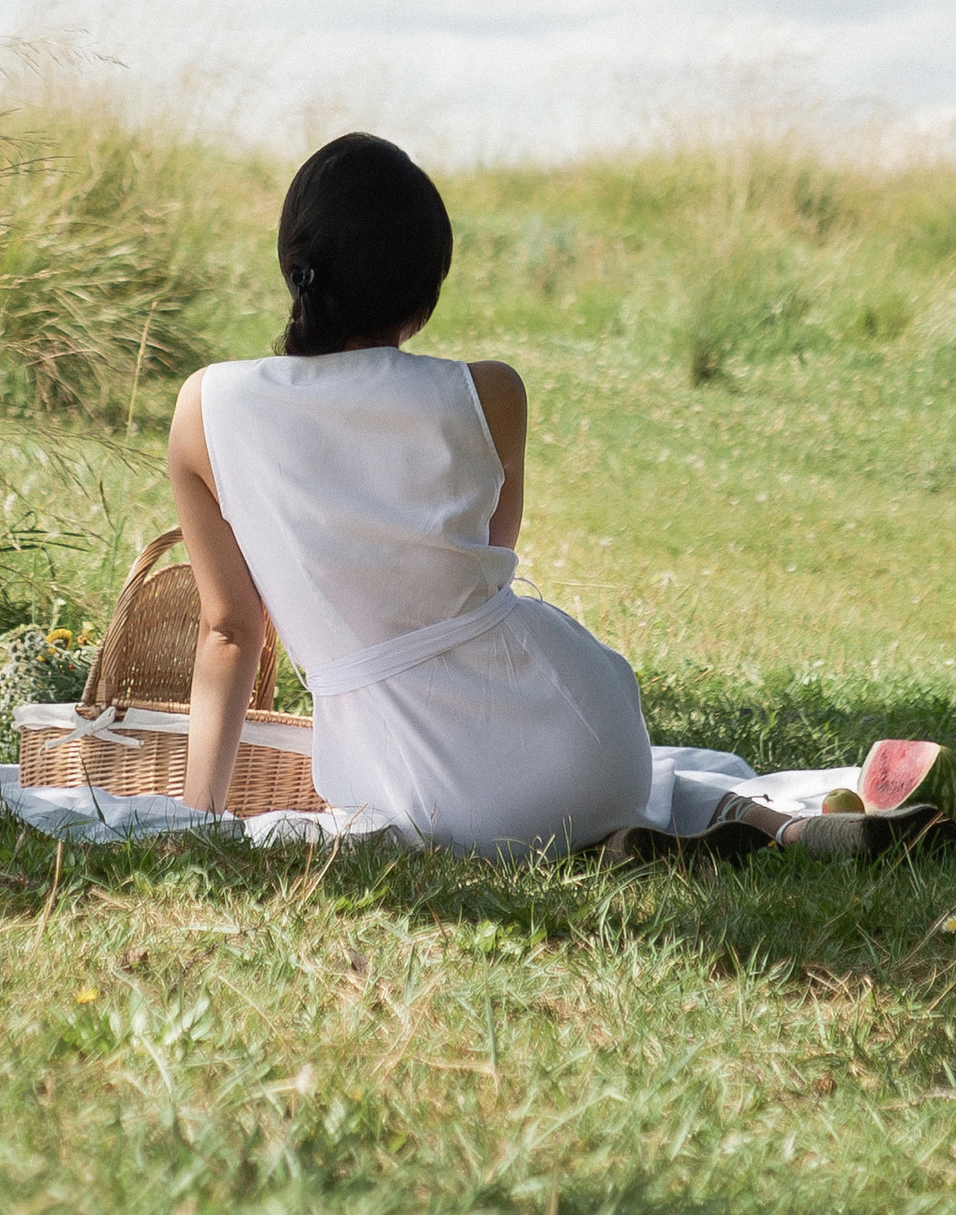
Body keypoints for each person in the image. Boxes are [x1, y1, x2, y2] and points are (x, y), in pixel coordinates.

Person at [166, 130, 657, 853]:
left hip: (413, 789)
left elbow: (231, 630)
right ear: (424, 296)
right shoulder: (490, 392)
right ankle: (611, 835)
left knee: (437, 824)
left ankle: (547, 834)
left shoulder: (207, 407)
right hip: (592, 763)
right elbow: (482, 570)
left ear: (293, 265)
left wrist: (198, 818)